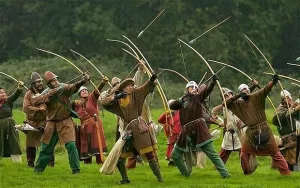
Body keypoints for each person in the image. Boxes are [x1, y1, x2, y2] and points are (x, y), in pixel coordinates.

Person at [101, 74, 163, 184]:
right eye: (128, 86)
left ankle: (160, 179)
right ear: (123, 88)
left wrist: (151, 80)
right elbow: (104, 102)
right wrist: (115, 97)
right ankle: (125, 179)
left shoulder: (137, 93)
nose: (131, 87)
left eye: (131, 85)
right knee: (120, 157)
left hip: (139, 128)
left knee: (149, 154)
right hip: (127, 130)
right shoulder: (118, 99)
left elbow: (146, 86)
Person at [224, 74, 291, 175]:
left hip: (264, 129)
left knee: (275, 153)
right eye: (242, 91)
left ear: (249, 90)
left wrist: (273, 81)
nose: (245, 91)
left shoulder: (256, 96)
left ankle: (286, 173)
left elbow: (265, 89)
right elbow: (225, 104)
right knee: (244, 154)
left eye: (246, 90)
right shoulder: (238, 104)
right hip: (251, 133)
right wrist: (237, 96)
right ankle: (247, 173)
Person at [169, 78, 229, 178]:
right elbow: (172, 106)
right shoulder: (182, 100)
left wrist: (213, 82)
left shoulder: (198, 98)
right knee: (175, 154)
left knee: (212, 154)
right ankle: (185, 174)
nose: (193, 89)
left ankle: (225, 175)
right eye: (191, 87)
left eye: (195, 87)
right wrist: (181, 99)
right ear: (186, 89)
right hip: (185, 132)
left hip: (199, 129)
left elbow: (207, 90)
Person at [33, 71, 89, 174]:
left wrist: (83, 81)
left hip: (65, 121)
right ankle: (38, 170)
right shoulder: (46, 92)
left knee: (71, 145)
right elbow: (36, 101)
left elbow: (73, 86)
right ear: (49, 84)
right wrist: (49, 95)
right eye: (53, 81)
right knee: (46, 148)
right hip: (51, 123)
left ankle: (75, 170)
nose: (56, 81)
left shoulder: (63, 87)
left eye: (56, 79)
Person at [72, 76, 109, 164]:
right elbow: (67, 106)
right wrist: (73, 102)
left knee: (97, 143)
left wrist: (103, 83)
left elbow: (97, 91)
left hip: (94, 124)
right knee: (86, 144)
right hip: (84, 127)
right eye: (82, 91)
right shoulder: (77, 104)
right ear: (79, 94)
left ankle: (100, 162)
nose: (85, 91)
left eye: (86, 90)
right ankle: (87, 163)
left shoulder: (91, 98)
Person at [23, 72, 55, 167]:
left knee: (47, 143)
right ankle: (30, 163)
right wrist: (38, 109)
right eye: (38, 82)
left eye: (41, 81)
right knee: (30, 145)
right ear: (33, 84)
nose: (40, 83)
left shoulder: (46, 92)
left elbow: (51, 105)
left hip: (45, 122)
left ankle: (50, 163)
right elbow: (26, 107)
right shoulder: (28, 94)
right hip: (32, 122)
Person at [212, 87, 244, 164]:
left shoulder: (237, 103)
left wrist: (241, 122)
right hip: (229, 132)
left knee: (243, 152)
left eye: (230, 94)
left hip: (238, 131)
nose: (229, 96)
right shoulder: (224, 106)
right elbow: (214, 110)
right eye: (226, 95)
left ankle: (246, 169)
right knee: (224, 153)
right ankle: (219, 167)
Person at [272, 90, 300, 171]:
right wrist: (293, 109)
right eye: (287, 98)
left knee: (296, 157)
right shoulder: (280, 110)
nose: (290, 99)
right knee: (289, 159)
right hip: (287, 139)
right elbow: (279, 118)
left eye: (290, 97)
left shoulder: (294, 105)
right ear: (283, 100)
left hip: (296, 136)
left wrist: (295, 108)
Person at [0, 81, 24, 162]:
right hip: (0, 127)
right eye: (0, 93)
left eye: (3, 92)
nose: (3, 94)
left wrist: (19, 87)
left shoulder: (8, 100)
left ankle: (17, 163)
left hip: (10, 125)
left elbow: (15, 95)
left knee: (14, 143)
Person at [158, 99, 181, 166]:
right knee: (172, 149)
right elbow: (160, 120)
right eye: (170, 106)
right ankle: (172, 161)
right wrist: (167, 112)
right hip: (173, 135)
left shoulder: (180, 112)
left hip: (180, 134)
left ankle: (176, 161)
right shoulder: (168, 116)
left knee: (180, 149)